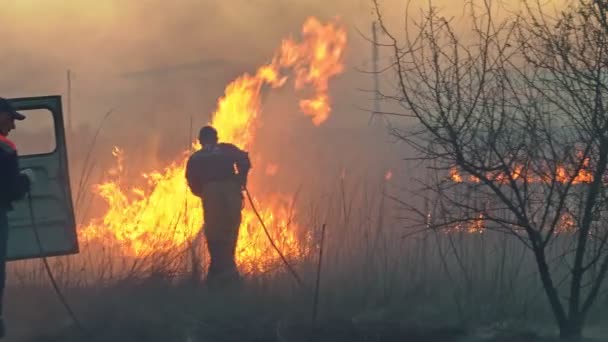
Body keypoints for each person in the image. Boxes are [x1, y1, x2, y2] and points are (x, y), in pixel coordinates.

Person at [185, 126, 251, 286]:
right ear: (216, 138)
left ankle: (219, 271)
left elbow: (191, 180)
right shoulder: (227, 149)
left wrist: (203, 192)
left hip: (211, 192)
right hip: (231, 191)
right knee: (231, 229)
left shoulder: (196, 157)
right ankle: (228, 270)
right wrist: (240, 178)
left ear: (200, 141)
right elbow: (244, 159)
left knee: (215, 233)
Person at [0, 97, 34, 338]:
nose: (13, 126)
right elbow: (9, 189)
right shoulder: (5, 147)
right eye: (11, 118)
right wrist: (26, 180)